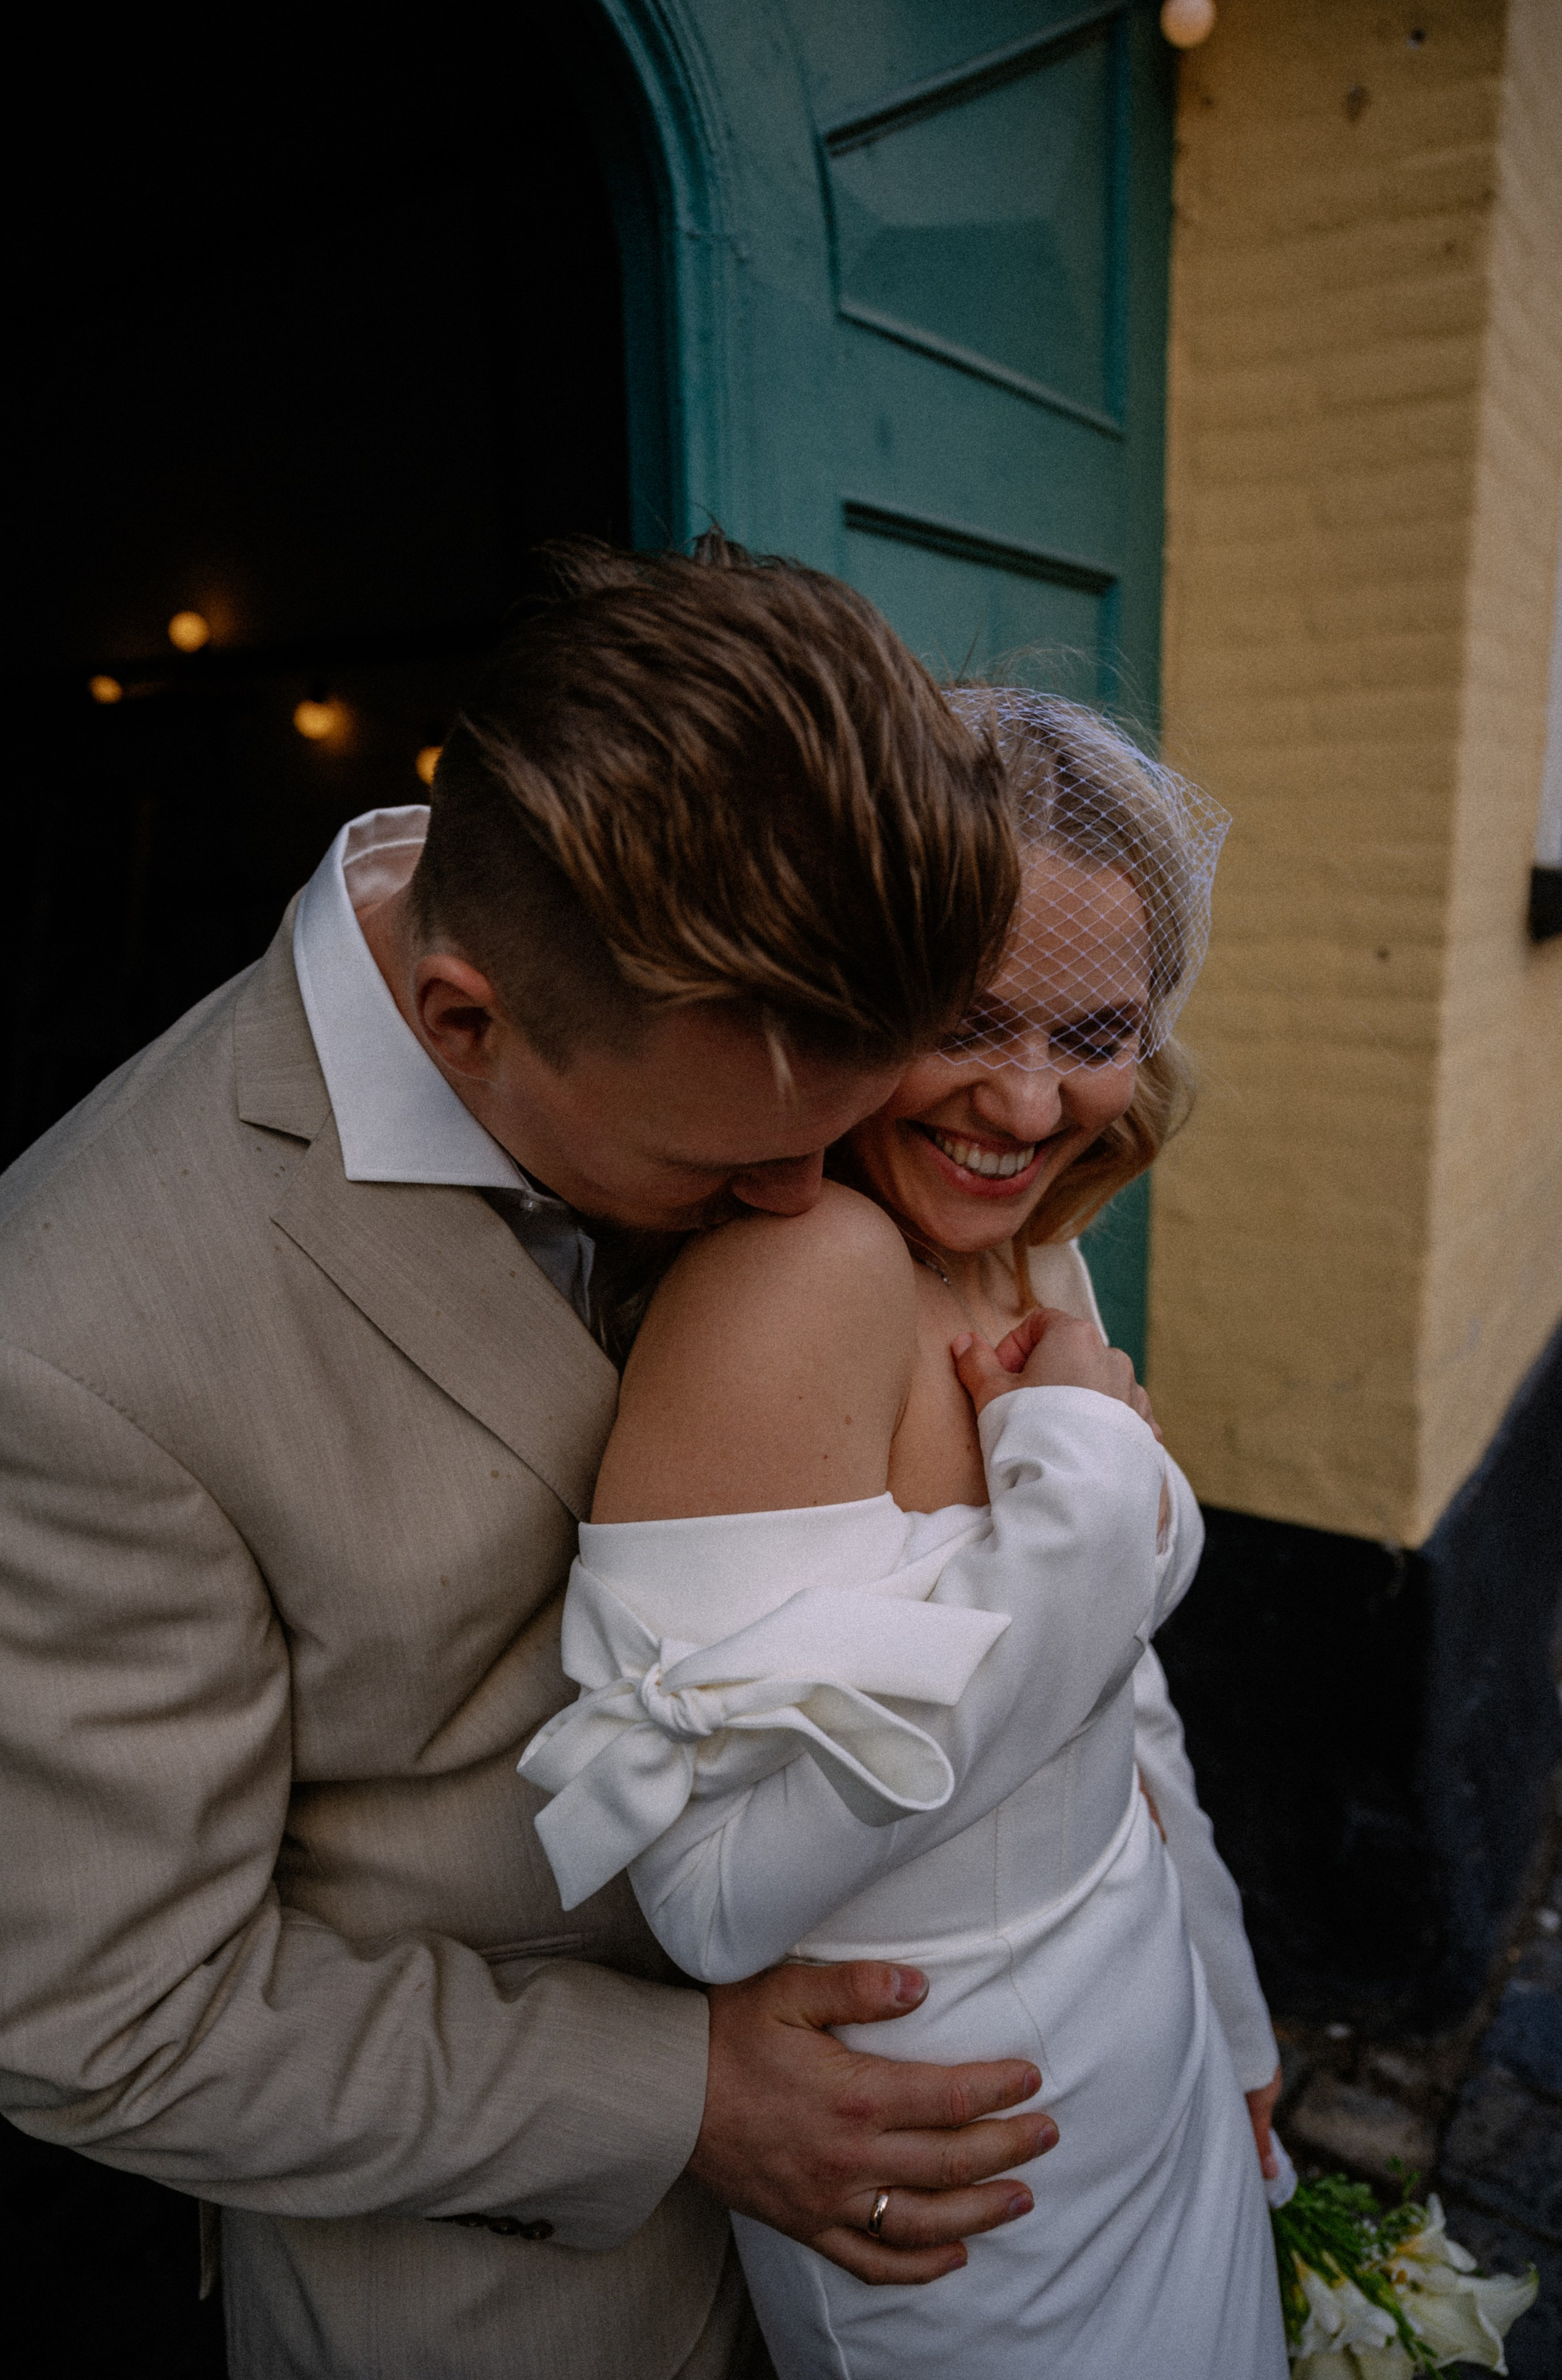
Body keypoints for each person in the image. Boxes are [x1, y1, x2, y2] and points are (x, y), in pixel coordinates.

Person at [0, 546, 1172, 2380]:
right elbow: (104, 2012)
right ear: (466, 1020)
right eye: (726, 1178)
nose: (807, 1215)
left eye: (837, 1140)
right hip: (521, 2297)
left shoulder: (836, 1053)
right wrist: (682, 2097)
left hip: (962, 2246)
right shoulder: (66, 1340)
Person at [521, 691, 1289, 2376]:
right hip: (960, 2165)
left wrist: (1230, 2019)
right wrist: (1085, 1495)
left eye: (1093, 1034)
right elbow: (711, 1901)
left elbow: (1121, 1704)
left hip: (1141, 2043)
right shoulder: (799, 1285)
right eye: (970, 1017)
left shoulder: (1025, 1243)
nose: (1025, 1107)